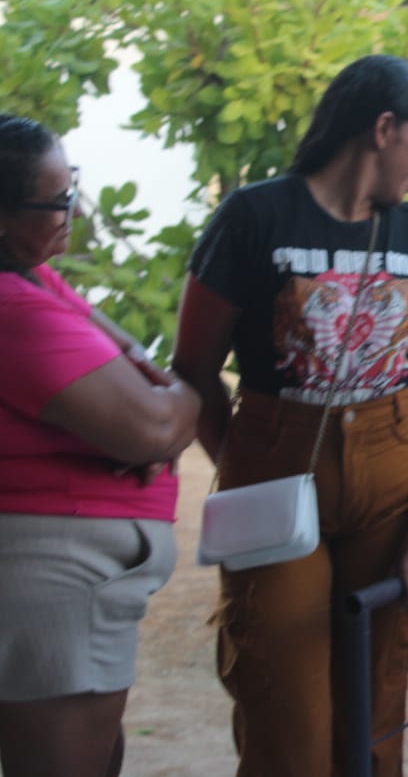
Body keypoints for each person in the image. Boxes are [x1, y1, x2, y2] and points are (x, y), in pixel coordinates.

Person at [172, 55, 408, 777]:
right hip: (275, 461)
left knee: (377, 710)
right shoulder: (254, 217)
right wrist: (247, 468)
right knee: (286, 713)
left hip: (394, 476)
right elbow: (192, 367)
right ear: (381, 129)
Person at [0, 115, 200, 776]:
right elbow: (155, 421)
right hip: (58, 576)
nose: (72, 213)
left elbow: (141, 368)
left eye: (72, 190)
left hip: (76, 577)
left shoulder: (34, 277)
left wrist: (161, 400)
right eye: (55, 202)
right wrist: (178, 404)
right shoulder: (13, 308)